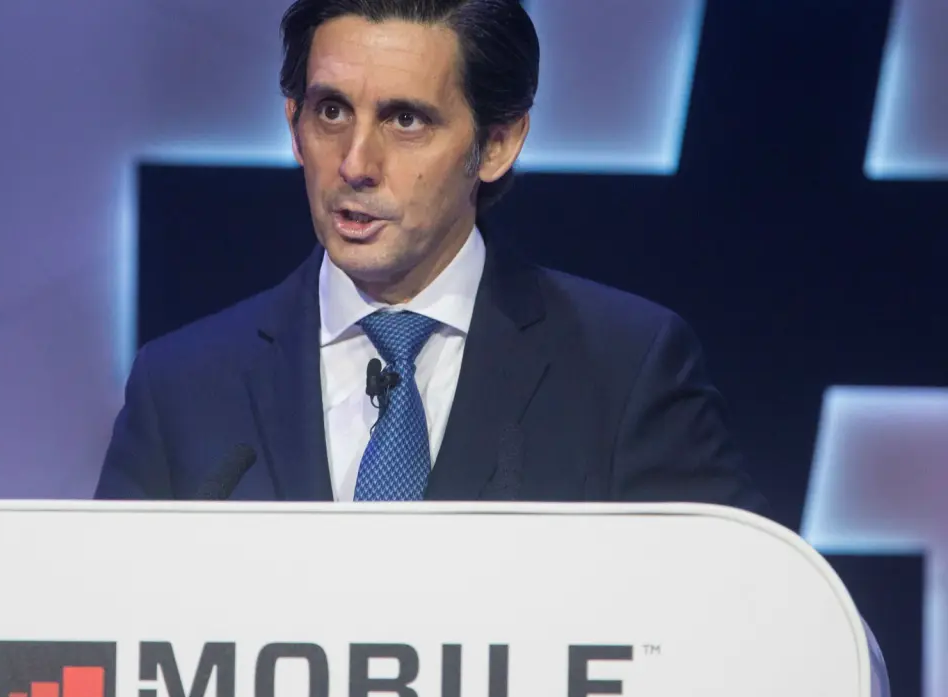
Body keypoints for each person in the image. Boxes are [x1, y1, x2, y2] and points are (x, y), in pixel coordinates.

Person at [95, 0, 765, 511]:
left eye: (405, 120)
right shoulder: (179, 388)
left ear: (497, 145)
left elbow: (736, 617)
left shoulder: (627, 369)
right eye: (332, 112)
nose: (356, 164)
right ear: (294, 125)